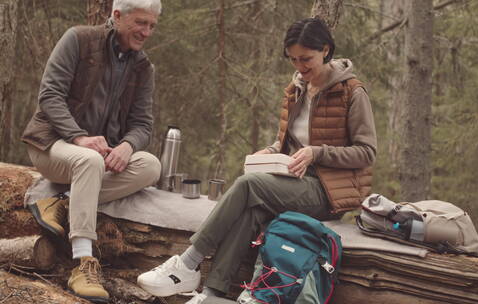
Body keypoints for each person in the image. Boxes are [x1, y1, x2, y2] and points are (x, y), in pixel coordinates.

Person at [137, 17, 377, 303]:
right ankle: (212, 293)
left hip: (329, 191)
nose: (300, 67)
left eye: (306, 59)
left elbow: (366, 151)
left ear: (326, 49)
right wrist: (271, 150)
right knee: (250, 211)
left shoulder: (351, 92)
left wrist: (318, 152)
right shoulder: (297, 89)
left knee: (249, 186)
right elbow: (288, 141)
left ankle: (188, 262)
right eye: (293, 60)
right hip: (295, 180)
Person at [21, 0, 162, 302]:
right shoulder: (79, 39)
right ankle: (82, 263)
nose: (146, 32)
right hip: (52, 145)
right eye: (140, 23)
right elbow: (50, 95)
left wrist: (127, 146)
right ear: (117, 16)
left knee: (150, 165)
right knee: (88, 161)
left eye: (152, 25)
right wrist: (78, 137)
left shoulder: (143, 67)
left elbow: (142, 124)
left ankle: (60, 201)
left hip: (97, 157)